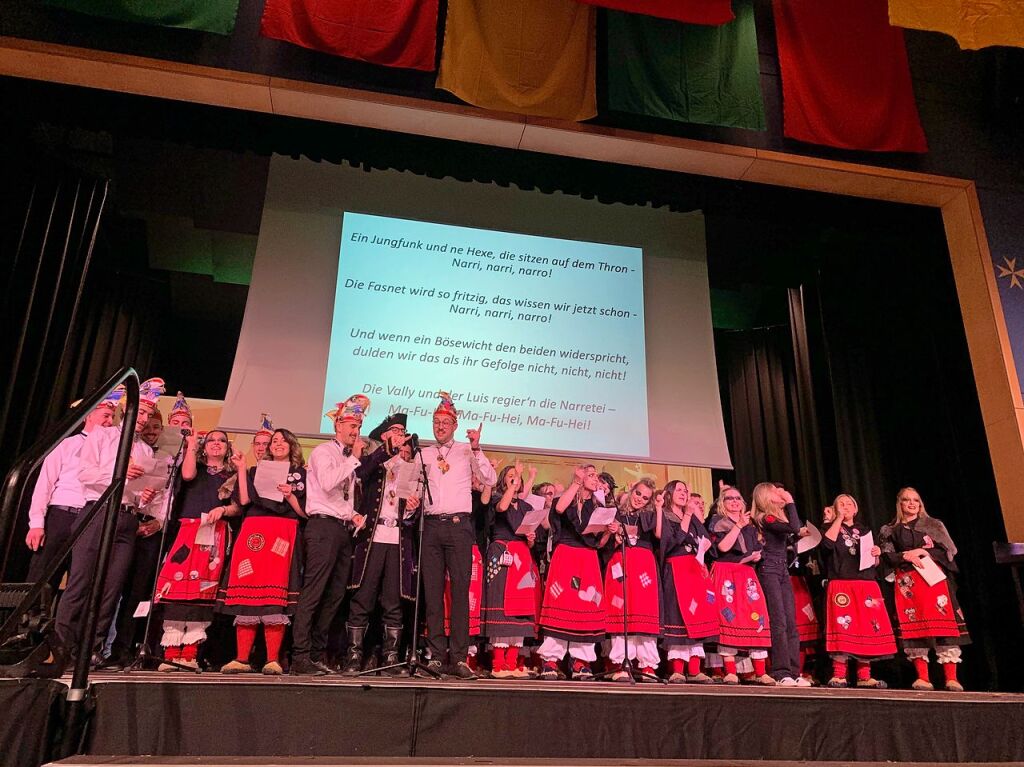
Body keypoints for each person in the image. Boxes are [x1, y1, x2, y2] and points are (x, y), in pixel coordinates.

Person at [54, 377, 167, 666]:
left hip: (126, 519)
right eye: (139, 412)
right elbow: (86, 475)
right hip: (98, 511)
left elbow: (137, 493)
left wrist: (145, 494)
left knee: (111, 588)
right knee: (80, 582)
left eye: (148, 415)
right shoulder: (101, 437)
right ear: (126, 409)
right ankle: (62, 648)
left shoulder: (144, 450)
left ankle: (94, 647)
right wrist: (118, 475)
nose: (143, 420)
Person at [416, 391, 496, 679]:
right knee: (433, 593)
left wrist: (477, 448)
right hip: (431, 525)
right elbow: (412, 486)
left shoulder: (465, 450)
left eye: (445, 422)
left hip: (460, 526)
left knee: (460, 592)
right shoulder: (422, 453)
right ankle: (436, 656)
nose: (440, 426)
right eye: (436, 421)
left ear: (455, 424)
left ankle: (460, 657)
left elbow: (489, 479)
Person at [290, 395, 370, 675]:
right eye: (350, 425)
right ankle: (299, 655)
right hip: (322, 527)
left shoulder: (346, 458)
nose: (355, 431)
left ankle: (316, 653)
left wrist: (353, 515)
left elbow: (341, 498)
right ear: (337, 426)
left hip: (341, 529)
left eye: (358, 426)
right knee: (314, 592)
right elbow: (326, 484)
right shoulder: (324, 452)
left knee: (335, 595)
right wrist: (354, 461)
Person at [220, 428, 307, 674]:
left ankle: (272, 659)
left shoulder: (300, 474)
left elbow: (304, 513)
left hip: (283, 532)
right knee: (247, 591)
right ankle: (241, 658)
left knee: (275, 595)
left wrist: (290, 496)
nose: (278, 444)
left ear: (292, 445)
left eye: (283, 440)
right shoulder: (256, 470)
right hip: (254, 531)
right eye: (274, 441)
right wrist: (241, 467)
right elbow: (245, 501)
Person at [153, 429, 237, 671]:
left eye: (222, 440)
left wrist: (223, 511)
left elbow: (238, 507)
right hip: (189, 531)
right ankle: (171, 652)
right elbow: (187, 475)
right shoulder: (196, 468)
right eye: (211, 440)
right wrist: (191, 445)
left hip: (215, 534)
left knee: (204, 589)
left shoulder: (231, 474)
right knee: (177, 587)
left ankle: (189, 653)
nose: (216, 444)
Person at [25, 393, 119, 597]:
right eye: (105, 415)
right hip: (61, 516)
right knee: (41, 579)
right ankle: (26, 625)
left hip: (92, 518)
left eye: (112, 417)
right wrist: (37, 524)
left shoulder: (113, 452)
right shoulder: (67, 444)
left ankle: (63, 628)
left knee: (80, 582)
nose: (109, 421)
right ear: (88, 416)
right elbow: (45, 484)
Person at [344, 413, 417, 676]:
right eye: (395, 430)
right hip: (372, 539)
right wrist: (387, 451)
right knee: (362, 597)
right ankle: (353, 656)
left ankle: (390, 657)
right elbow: (360, 472)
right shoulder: (375, 460)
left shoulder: (410, 466)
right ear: (384, 435)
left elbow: (412, 514)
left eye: (403, 431)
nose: (400, 434)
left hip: (397, 541)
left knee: (393, 601)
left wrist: (410, 509)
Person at [879, 487, 970, 691]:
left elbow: (949, 551)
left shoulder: (933, 525)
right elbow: (886, 555)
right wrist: (905, 556)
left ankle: (951, 678)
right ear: (899, 503)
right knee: (914, 626)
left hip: (933, 581)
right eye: (906, 500)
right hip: (908, 583)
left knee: (943, 624)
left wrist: (922, 551)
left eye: (916, 500)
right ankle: (922, 677)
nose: (912, 504)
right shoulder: (889, 529)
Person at [537, 465, 616, 681]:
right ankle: (551, 659)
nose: (594, 479)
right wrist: (577, 482)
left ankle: (581, 661)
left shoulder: (597, 505)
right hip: (567, 556)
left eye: (595, 476)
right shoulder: (569, 498)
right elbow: (560, 509)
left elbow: (598, 543)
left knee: (586, 605)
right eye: (590, 475)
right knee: (562, 602)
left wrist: (608, 532)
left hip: (588, 558)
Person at [820, 494, 895, 688]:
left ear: (856, 509)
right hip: (841, 584)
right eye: (840, 504)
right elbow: (827, 545)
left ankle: (864, 675)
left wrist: (876, 555)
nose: (845, 506)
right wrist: (837, 518)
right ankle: (839, 674)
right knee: (843, 625)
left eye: (849, 504)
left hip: (866, 584)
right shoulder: (830, 528)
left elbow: (872, 563)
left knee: (867, 626)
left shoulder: (865, 530)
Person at [707, 484, 773, 685]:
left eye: (738, 498)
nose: (735, 501)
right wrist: (738, 526)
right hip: (726, 572)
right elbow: (723, 546)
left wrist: (756, 554)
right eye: (729, 498)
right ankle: (730, 671)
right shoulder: (718, 522)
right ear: (721, 503)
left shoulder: (750, 525)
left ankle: (761, 672)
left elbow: (753, 551)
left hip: (746, 574)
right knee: (729, 617)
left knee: (755, 617)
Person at [481, 463, 539, 678]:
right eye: (511, 476)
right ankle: (498, 664)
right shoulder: (497, 498)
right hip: (501, 553)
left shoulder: (526, 507)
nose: (515, 479)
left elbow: (531, 537)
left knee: (521, 608)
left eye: (518, 477)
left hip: (522, 556)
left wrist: (531, 539)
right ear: (504, 480)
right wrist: (512, 488)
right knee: (501, 603)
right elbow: (503, 508)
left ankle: (512, 662)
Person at [656, 480, 718, 684]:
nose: (684, 494)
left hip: (694, 569)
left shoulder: (692, 519)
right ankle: (676, 669)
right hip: (676, 569)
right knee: (678, 615)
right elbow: (673, 540)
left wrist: (703, 545)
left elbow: (705, 539)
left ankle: (694, 669)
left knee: (697, 615)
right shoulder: (665, 516)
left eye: (686, 490)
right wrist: (689, 515)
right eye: (679, 490)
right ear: (669, 494)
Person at [605, 478, 661, 682]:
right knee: (621, 611)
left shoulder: (649, 515)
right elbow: (602, 543)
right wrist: (612, 532)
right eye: (638, 494)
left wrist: (657, 507)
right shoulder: (614, 511)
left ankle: (647, 665)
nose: (640, 499)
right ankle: (620, 663)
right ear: (631, 489)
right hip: (620, 563)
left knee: (644, 611)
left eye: (645, 498)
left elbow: (657, 533)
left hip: (643, 566)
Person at [750, 482, 806, 686]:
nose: (780, 493)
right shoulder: (766, 517)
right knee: (779, 621)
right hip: (770, 570)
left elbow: (793, 529)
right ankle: (781, 671)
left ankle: (793, 670)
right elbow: (794, 527)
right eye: (775, 491)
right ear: (765, 496)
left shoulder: (776, 518)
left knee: (791, 621)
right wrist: (790, 501)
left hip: (781, 569)